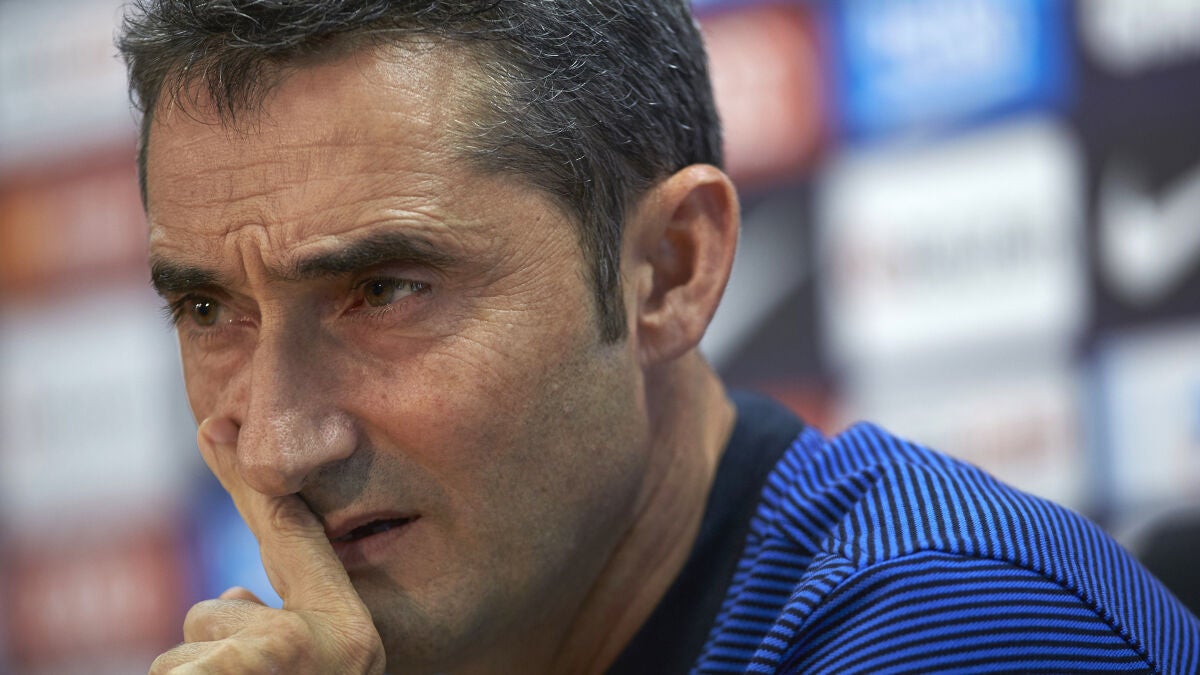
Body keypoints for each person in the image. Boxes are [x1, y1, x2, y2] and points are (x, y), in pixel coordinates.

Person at [117, 1, 1199, 673]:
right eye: (209, 310)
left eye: (385, 290)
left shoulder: (951, 627)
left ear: (669, 272)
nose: (277, 445)